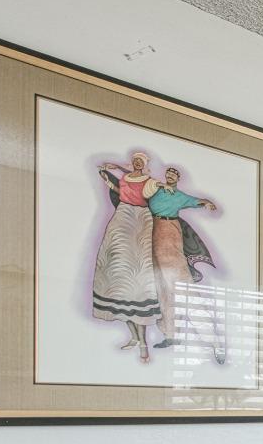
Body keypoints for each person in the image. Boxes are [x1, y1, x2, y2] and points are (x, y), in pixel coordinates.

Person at [92, 153, 160, 362]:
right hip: (122, 216)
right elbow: (120, 190)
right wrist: (107, 176)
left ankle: (143, 343)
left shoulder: (150, 182)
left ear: (145, 165)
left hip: (139, 219)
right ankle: (134, 338)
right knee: (118, 277)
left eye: (141, 161)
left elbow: (147, 192)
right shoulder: (126, 179)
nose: (138, 163)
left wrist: (118, 169)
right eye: (135, 160)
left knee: (137, 279)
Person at [146, 166, 218, 350]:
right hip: (153, 229)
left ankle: (210, 338)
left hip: (168, 232)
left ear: (178, 178)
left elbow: (198, 201)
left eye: (174, 174)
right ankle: (171, 334)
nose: (170, 176)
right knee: (162, 287)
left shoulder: (179, 196)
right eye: (168, 173)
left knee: (181, 285)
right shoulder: (157, 189)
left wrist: (207, 203)